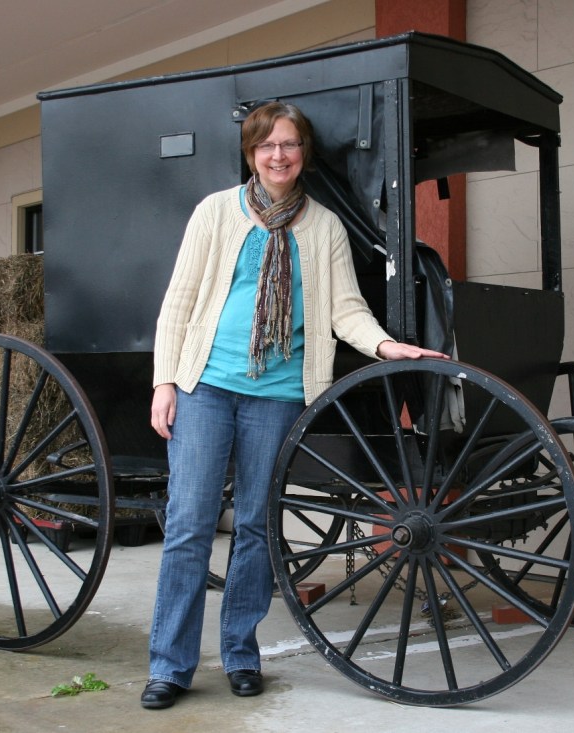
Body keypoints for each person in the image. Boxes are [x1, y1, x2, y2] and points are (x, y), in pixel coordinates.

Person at [142, 101, 447, 710]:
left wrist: (386, 345)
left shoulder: (324, 227)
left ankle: (239, 654)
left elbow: (344, 310)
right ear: (251, 155)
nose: (278, 156)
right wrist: (164, 381)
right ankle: (170, 666)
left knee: (256, 526)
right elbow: (179, 302)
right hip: (205, 386)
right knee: (189, 526)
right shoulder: (215, 213)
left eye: (289, 145)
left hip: (278, 396)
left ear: (303, 154)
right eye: (266, 146)